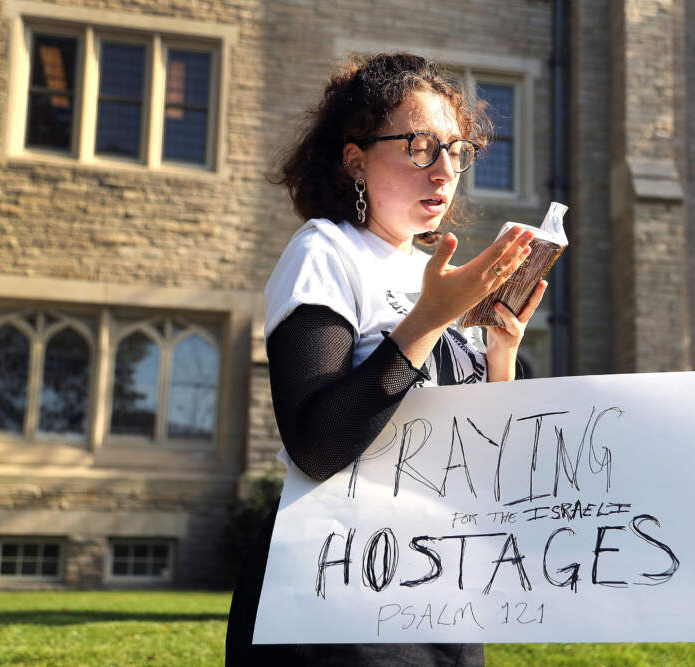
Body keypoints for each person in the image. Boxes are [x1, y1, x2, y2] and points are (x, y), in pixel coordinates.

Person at [225, 52, 547, 666]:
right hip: (337, 608)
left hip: (439, 593)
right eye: (420, 146)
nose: (444, 170)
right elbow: (316, 446)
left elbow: (482, 463)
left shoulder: (437, 276)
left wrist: (501, 352)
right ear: (356, 161)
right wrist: (429, 319)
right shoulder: (326, 251)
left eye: (457, 149)